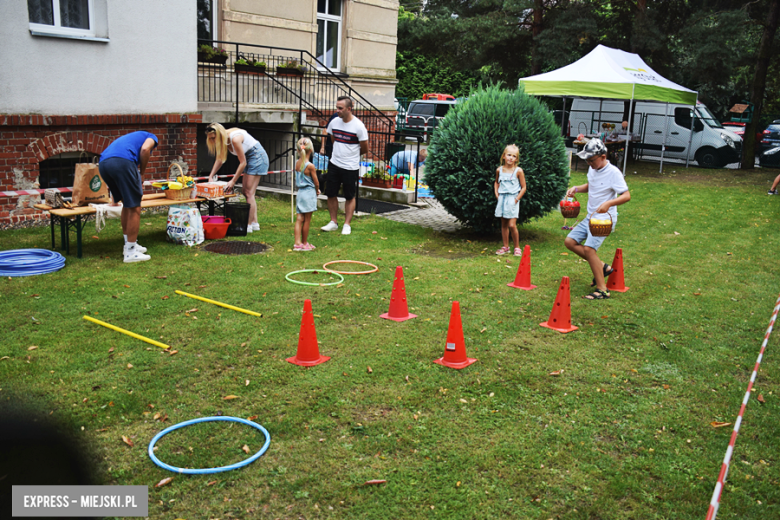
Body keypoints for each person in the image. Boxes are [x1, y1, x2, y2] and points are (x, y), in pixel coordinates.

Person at [564, 139, 631, 300]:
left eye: (591, 160)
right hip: (590, 217)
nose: (588, 163)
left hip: (604, 220)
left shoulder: (614, 173)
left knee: (589, 250)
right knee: (570, 241)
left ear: (603, 156)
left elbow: (626, 196)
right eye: (586, 160)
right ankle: (603, 267)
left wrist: (609, 203)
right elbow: (591, 185)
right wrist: (577, 189)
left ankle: (602, 289)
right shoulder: (592, 169)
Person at [98, 131, 158, 263]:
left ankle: (129, 244)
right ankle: (131, 252)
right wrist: (141, 173)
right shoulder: (152, 137)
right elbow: (145, 149)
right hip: (122, 162)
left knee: (127, 203)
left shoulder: (131, 137)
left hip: (103, 164)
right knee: (135, 206)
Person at [205, 123, 269, 233]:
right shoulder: (223, 140)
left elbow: (242, 162)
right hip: (250, 158)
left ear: (219, 134)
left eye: (214, 138)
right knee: (246, 192)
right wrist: (210, 176)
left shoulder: (234, 139)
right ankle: (254, 223)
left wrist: (233, 181)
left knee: (249, 193)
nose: (213, 141)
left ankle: (248, 226)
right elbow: (220, 159)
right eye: (210, 138)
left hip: (257, 157)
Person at [320, 96, 368, 235]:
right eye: (337, 107)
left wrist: (350, 154)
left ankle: (347, 224)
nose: (337, 110)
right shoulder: (334, 122)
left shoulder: (359, 126)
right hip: (334, 163)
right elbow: (333, 138)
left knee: (349, 196)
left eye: (340, 108)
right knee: (330, 193)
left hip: (350, 167)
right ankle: (333, 222)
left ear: (349, 109)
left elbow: (364, 149)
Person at [493, 144, 527, 256]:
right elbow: (496, 182)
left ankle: (517, 247)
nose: (511, 158)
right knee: (504, 224)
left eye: (514, 156)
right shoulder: (499, 170)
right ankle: (505, 246)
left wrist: (517, 199)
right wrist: (497, 194)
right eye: (509, 155)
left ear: (516, 159)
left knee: (512, 225)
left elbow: (524, 187)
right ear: (504, 156)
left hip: (513, 199)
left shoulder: (518, 171)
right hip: (502, 199)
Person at [293, 137, 321, 251]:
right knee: (307, 220)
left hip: (300, 193)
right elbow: (316, 182)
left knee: (299, 218)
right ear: (311, 150)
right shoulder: (310, 166)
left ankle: (297, 243)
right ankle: (304, 243)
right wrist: (317, 190)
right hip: (309, 194)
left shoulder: (297, 163)